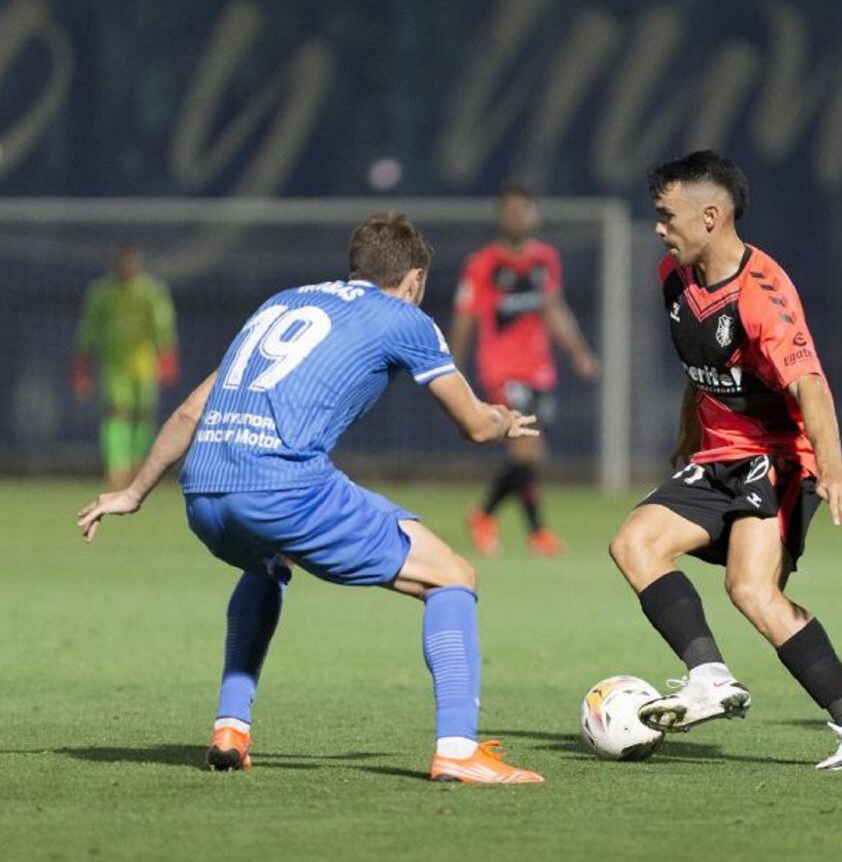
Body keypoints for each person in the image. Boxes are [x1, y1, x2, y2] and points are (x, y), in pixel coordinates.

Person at [77, 214, 543, 784]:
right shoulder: (405, 317)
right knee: (453, 575)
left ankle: (231, 728)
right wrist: (501, 420)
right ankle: (458, 749)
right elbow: (472, 425)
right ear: (415, 277)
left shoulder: (281, 302)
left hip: (202, 493)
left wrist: (133, 491)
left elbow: (189, 411)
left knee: (269, 562)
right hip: (280, 488)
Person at [608, 150, 842, 771]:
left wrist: (836, 467)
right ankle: (709, 677)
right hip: (717, 457)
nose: (659, 228)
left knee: (751, 590)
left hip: (777, 459)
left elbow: (810, 387)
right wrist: (688, 436)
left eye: (667, 216)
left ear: (711, 216)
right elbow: (703, 370)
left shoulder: (762, 294)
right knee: (634, 544)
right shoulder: (674, 275)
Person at [451, 184, 598, 557]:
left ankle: (488, 516)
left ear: (534, 214)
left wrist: (579, 353)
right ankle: (531, 531)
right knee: (527, 448)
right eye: (510, 210)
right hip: (502, 369)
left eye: (524, 210)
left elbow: (554, 308)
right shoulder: (483, 263)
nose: (517, 217)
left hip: (539, 369)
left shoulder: (545, 259)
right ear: (501, 216)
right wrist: (451, 366)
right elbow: (466, 317)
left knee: (531, 452)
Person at [72, 246, 181, 489]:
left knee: (143, 416)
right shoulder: (101, 293)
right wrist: (81, 369)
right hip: (114, 367)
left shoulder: (151, 292)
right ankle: (116, 467)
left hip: (144, 366)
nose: (127, 269)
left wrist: (167, 361)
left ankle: (138, 464)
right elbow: (87, 331)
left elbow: (163, 327)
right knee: (116, 414)